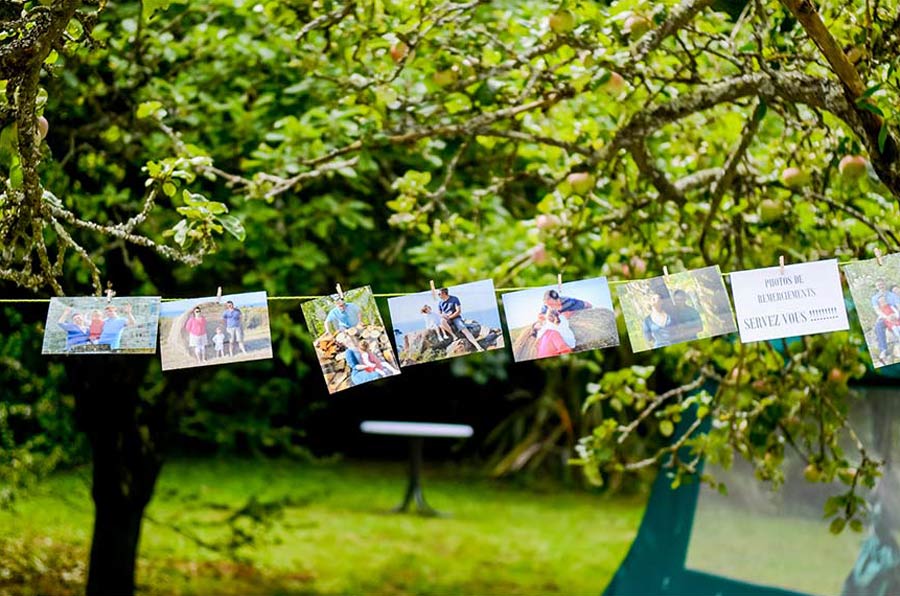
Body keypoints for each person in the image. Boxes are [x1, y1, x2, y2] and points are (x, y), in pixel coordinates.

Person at [438, 287, 484, 352]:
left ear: (444, 293)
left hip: (456, 318)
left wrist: (450, 317)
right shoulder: (440, 303)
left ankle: (478, 347)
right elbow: (439, 313)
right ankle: (454, 336)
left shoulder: (454, 299)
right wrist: (443, 316)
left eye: (439, 294)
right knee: (441, 321)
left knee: (464, 330)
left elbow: (458, 311)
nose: (438, 295)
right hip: (446, 319)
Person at [871, 280, 900, 360]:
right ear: (876, 287)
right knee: (878, 326)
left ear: (885, 284)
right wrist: (887, 317)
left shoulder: (892, 295)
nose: (880, 286)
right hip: (885, 316)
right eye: (878, 285)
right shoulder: (874, 298)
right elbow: (877, 310)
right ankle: (883, 349)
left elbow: (898, 306)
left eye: (881, 284)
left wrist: (896, 315)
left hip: (896, 314)